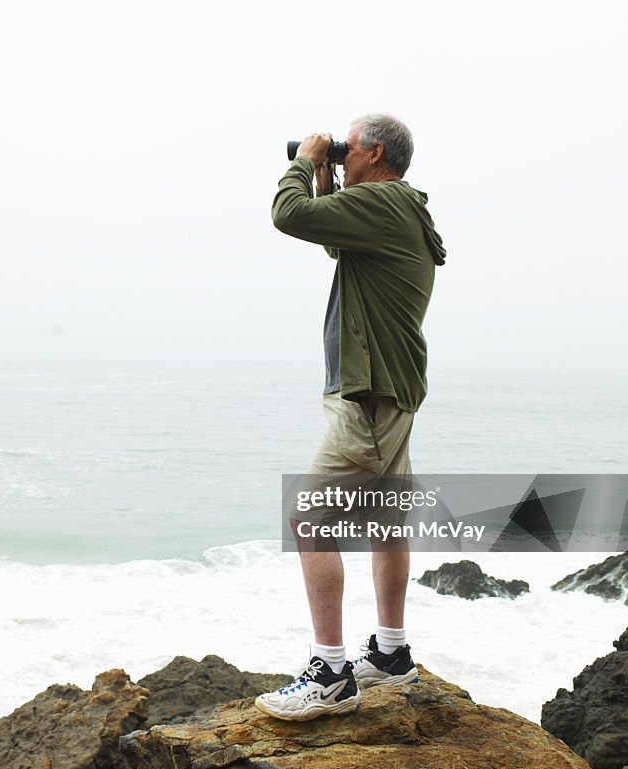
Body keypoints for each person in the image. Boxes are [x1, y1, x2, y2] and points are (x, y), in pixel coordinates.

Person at [254, 114, 447, 721]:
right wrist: (327, 175)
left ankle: (331, 670)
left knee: (308, 518)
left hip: (367, 398)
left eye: (347, 146)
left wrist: (304, 162)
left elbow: (291, 216)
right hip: (393, 393)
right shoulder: (398, 209)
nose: (340, 152)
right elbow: (335, 238)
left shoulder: (384, 203)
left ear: (376, 153)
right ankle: (391, 653)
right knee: (388, 520)